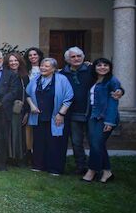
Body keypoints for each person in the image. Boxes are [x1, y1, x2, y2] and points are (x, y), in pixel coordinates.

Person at [26, 58, 74, 176]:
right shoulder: (36, 79)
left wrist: (61, 114)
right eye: (42, 65)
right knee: (39, 141)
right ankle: (38, 165)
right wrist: (32, 106)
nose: (43, 68)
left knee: (55, 142)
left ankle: (55, 168)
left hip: (55, 116)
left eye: (47, 66)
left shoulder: (62, 79)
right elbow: (27, 93)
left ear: (53, 69)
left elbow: (69, 97)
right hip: (38, 116)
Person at [83, 58, 122, 183]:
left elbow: (113, 102)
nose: (102, 67)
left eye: (105, 65)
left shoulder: (112, 80)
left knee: (96, 144)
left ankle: (92, 170)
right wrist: (87, 64)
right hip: (92, 116)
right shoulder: (94, 80)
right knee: (97, 144)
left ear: (110, 67)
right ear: (94, 67)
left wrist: (109, 122)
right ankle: (107, 171)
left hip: (105, 118)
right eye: (99, 65)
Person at [59, 46, 92, 175]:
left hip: (90, 112)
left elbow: (107, 81)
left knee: (94, 142)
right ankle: (81, 166)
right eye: (73, 57)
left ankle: (96, 167)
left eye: (79, 56)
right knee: (76, 142)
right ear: (68, 59)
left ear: (83, 57)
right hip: (72, 113)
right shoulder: (62, 74)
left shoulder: (91, 70)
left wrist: (119, 90)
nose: (76, 59)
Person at [5, 52, 30, 167]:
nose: (13, 63)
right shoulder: (4, 75)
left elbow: (28, 95)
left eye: (15, 60)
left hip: (19, 110)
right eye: (11, 61)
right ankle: (8, 157)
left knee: (19, 135)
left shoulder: (24, 77)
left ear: (19, 62)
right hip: (6, 109)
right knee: (7, 134)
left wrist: (27, 112)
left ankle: (19, 158)